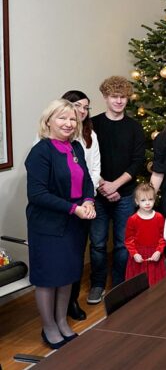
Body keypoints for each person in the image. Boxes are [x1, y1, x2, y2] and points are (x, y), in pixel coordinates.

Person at [26, 99, 96, 348]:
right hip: (48, 225)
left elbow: (87, 180)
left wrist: (88, 200)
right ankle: (49, 327)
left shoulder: (76, 147)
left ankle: (61, 321)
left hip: (74, 223)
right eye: (62, 118)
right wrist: (74, 208)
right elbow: (37, 194)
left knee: (67, 274)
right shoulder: (41, 151)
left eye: (72, 119)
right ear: (48, 122)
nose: (68, 123)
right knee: (48, 277)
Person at [88, 76, 144, 305]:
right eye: (114, 97)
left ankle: (119, 283)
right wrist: (103, 186)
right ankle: (97, 284)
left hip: (125, 193)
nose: (119, 101)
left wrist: (116, 185)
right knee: (98, 243)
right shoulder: (93, 125)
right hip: (98, 194)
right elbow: (87, 159)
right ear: (105, 97)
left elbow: (137, 161)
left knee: (122, 243)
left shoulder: (134, 127)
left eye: (123, 97)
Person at [60, 91, 100, 321]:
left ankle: (72, 300)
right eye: (77, 106)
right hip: (62, 206)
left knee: (76, 255)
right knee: (61, 257)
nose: (82, 111)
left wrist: (87, 199)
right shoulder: (47, 140)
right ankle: (57, 308)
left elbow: (93, 171)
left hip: (85, 205)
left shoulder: (89, 135)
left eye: (86, 107)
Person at [124, 183, 166, 286]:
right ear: (136, 201)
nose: (147, 203)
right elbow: (128, 240)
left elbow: (162, 237)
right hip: (139, 257)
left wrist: (159, 251)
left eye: (150, 199)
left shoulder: (159, 217)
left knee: (158, 284)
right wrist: (134, 254)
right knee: (138, 286)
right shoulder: (132, 219)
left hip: (155, 256)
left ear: (154, 200)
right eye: (143, 200)